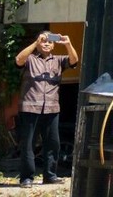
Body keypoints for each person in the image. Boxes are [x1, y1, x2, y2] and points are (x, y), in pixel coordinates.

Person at [14, 31, 78, 188]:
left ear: (54, 44)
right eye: (44, 41)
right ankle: (26, 178)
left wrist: (68, 43)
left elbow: (74, 60)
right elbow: (18, 60)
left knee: (53, 144)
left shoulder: (58, 61)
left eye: (50, 41)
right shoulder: (30, 59)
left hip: (51, 108)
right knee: (28, 144)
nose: (47, 43)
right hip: (30, 107)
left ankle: (50, 175)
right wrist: (36, 43)